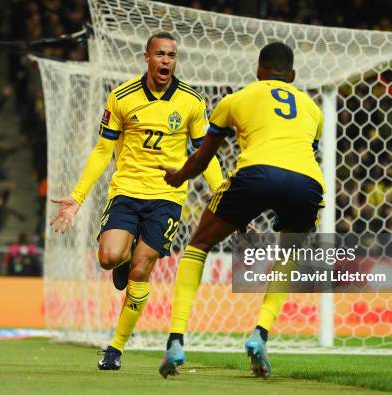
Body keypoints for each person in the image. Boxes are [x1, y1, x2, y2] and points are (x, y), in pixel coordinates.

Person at [49, 32, 224, 371]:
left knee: (142, 270)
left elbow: (207, 155)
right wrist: (78, 196)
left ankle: (115, 348)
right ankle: (122, 263)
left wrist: (222, 194)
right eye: (160, 54)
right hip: (126, 191)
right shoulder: (122, 96)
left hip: (167, 197)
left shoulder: (191, 101)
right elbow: (103, 150)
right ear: (147, 57)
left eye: (172, 55)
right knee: (108, 257)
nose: (166, 61)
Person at [158, 42, 325, 379]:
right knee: (288, 255)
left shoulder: (236, 99)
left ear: (258, 70)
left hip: (255, 174)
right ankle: (260, 334)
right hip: (308, 182)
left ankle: (176, 341)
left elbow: (202, 159)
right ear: (292, 76)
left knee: (198, 245)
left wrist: (178, 177)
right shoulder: (313, 109)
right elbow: (300, 158)